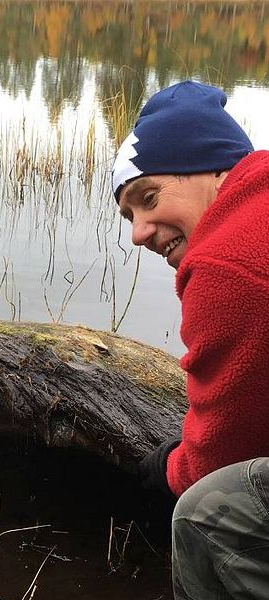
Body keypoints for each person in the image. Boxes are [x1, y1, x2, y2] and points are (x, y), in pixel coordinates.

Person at [112, 80, 269, 599]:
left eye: (148, 198)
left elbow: (219, 457)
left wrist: (168, 465)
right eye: (129, 215)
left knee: (207, 513)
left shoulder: (226, 260)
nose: (138, 232)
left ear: (214, 170)